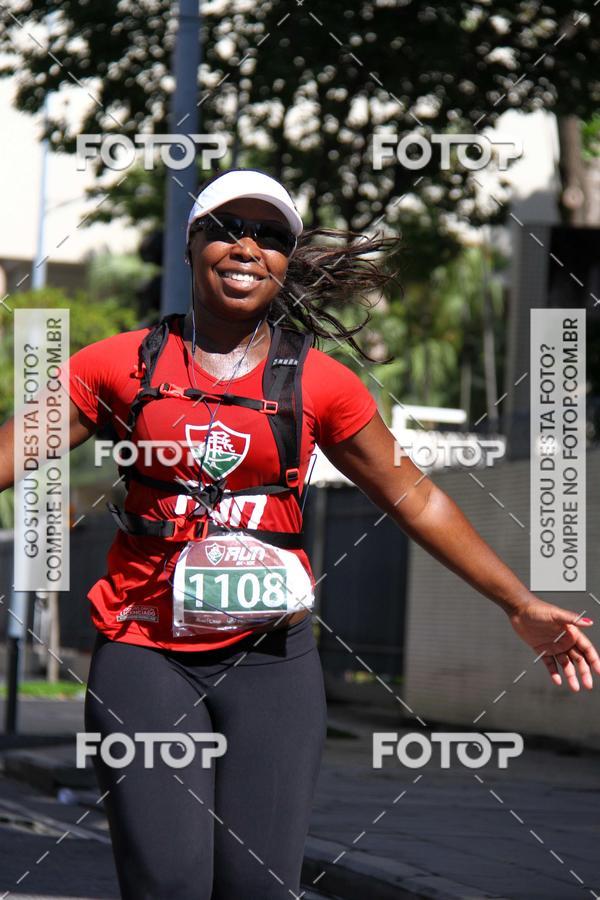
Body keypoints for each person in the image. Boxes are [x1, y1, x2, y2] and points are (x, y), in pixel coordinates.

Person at [1, 167, 599, 900]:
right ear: (192, 245)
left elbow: (416, 499)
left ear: (287, 261)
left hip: (271, 663)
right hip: (145, 653)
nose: (248, 247)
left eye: (271, 236)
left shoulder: (321, 383)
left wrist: (518, 603)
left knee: (258, 886)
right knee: (169, 882)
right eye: (228, 229)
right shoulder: (118, 366)